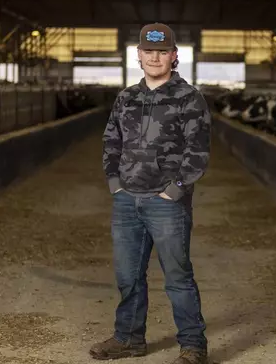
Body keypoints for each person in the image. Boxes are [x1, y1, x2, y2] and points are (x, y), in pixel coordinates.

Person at [90, 23, 211, 364]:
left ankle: (193, 345)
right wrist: (115, 182)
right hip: (127, 200)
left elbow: (198, 151)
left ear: (174, 56)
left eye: (162, 52)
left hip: (166, 203)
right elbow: (111, 141)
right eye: (148, 52)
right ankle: (129, 339)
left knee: (177, 276)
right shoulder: (127, 97)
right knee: (128, 276)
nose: (155, 58)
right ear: (138, 56)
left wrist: (176, 190)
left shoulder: (189, 97)